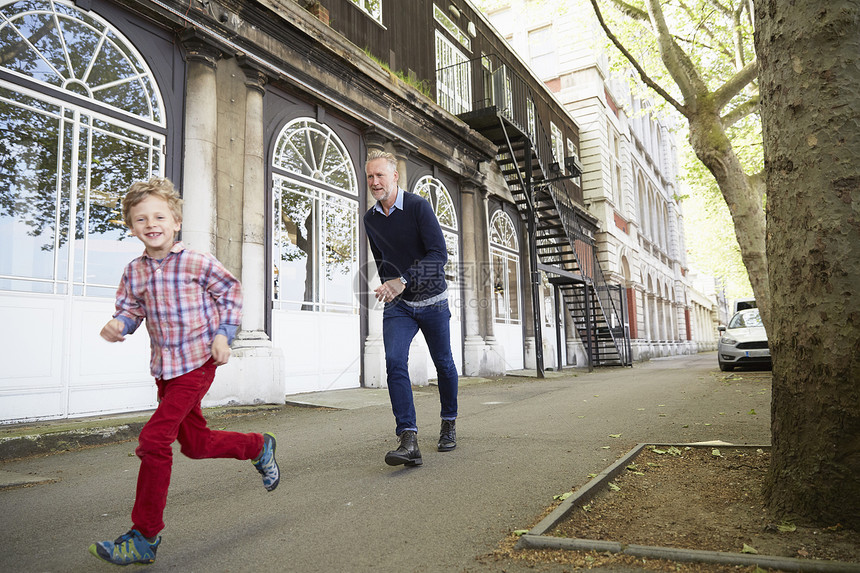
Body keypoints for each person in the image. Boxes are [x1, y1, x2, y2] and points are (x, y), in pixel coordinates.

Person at [89, 177, 280, 566]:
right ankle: (258, 446)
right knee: (195, 444)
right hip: (165, 368)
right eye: (140, 219)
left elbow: (230, 292)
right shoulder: (134, 272)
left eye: (159, 215)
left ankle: (144, 535)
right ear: (131, 226)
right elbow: (130, 310)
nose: (151, 223)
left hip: (197, 362)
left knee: (154, 440)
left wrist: (224, 336)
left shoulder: (196, 261)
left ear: (176, 221)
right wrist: (119, 326)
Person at [363, 150, 459, 467]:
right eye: (370, 177)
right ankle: (408, 438)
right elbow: (382, 260)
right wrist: (390, 286)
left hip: (433, 301)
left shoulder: (418, 207)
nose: (374, 182)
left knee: (444, 363)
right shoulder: (370, 219)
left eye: (380, 175)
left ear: (394, 177)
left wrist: (403, 279)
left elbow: (438, 256)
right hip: (400, 305)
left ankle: (448, 422)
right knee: (393, 360)